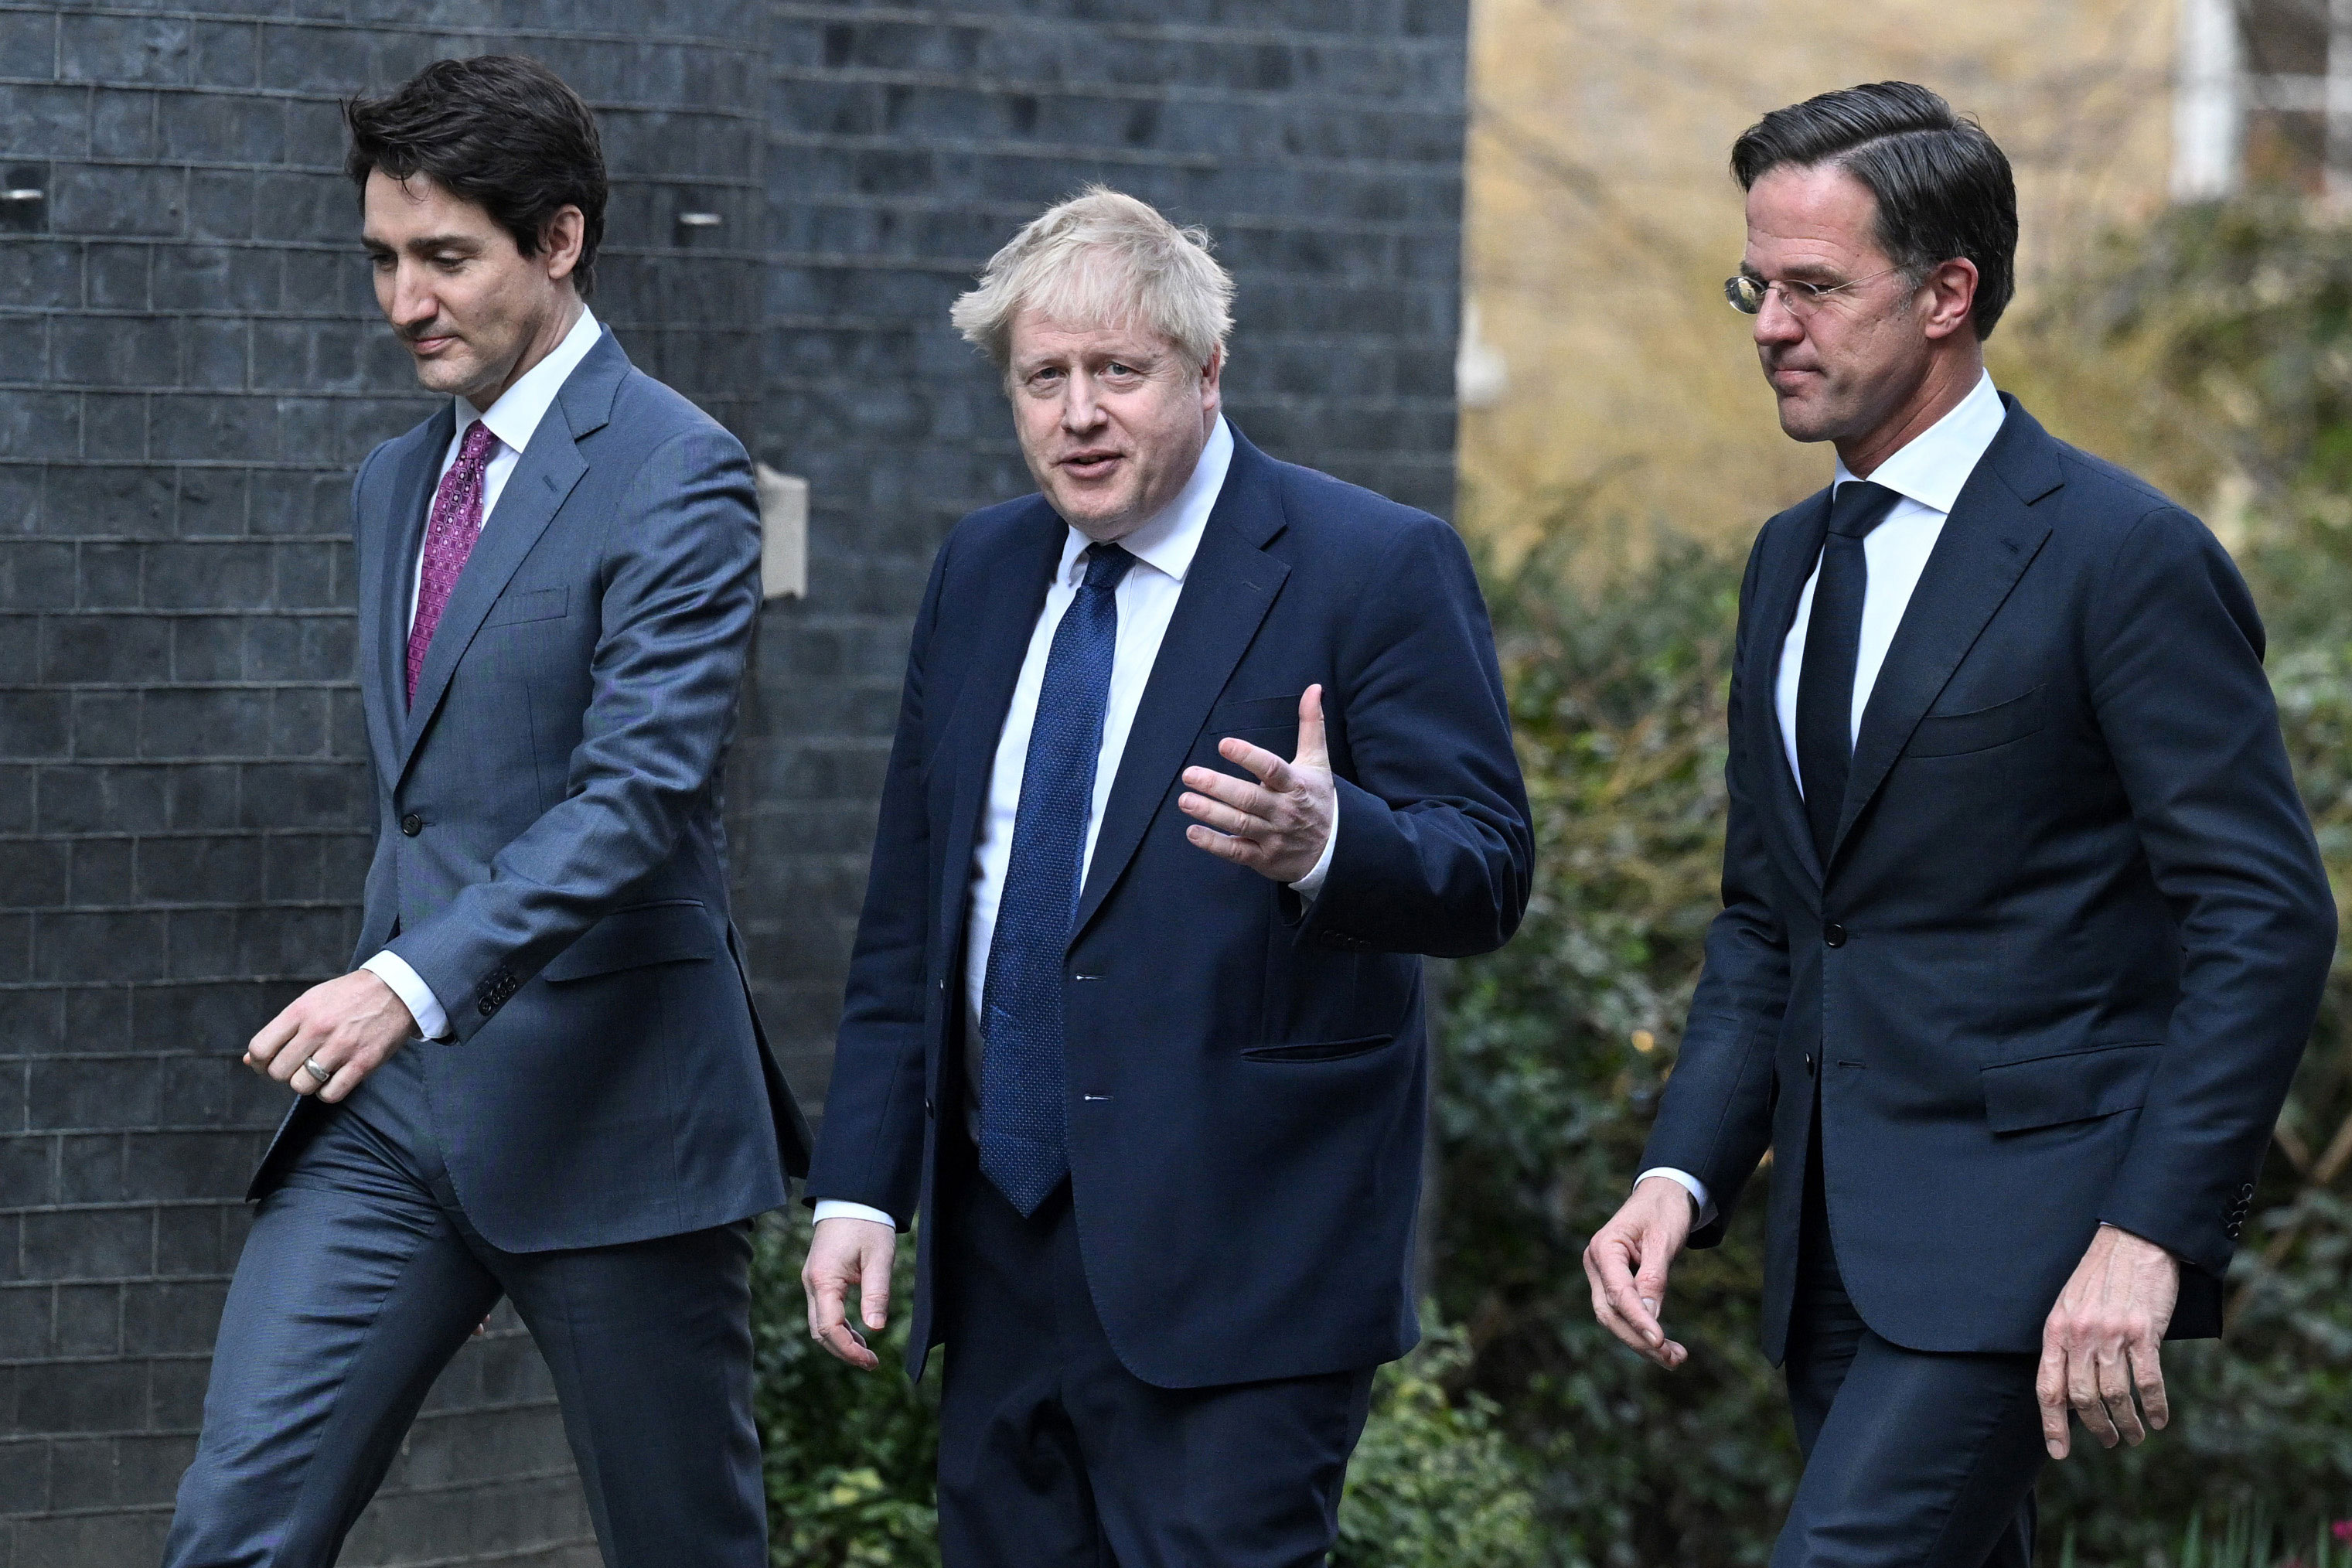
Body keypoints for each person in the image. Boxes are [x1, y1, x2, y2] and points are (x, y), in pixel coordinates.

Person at [1581, 82, 2338, 1565]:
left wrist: (2150, 1231)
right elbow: (1769, 918)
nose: (1767, 324)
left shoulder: (2123, 558)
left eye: (1812, 286)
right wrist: (1677, 1172)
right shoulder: (1785, 564)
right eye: (1756, 283)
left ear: (1947, 293)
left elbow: (2264, 918)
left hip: (2032, 1249)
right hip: (1828, 1258)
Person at [799, 188, 1532, 1566]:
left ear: (1206, 375)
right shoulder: (981, 569)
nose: (1079, 413)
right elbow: (913, 913)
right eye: (1044, 377)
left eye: (1118, 373)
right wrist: (860, 1188)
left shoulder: (1368, 566)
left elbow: (1487, 869)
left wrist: (1332, 844)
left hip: (1246, 1276)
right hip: (1001, 1252)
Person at [162, 55, 808, 1567]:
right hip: (393, 1125)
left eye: (445, 257)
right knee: (233, 1531)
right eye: (384, 259)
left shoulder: (679, 474)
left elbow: (641, 793)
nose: (404, 300)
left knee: (684, 1549)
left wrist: (408, 978)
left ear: (560, 241)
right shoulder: (398, 480)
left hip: (615, 1115)